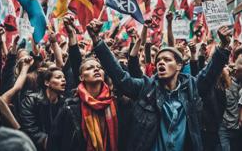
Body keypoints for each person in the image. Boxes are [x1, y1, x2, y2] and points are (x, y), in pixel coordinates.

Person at [86, 19, 231, 151]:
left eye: (167, 60)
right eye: (159, 60)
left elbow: (209, 73)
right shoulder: (146, 88)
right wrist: (97, 41)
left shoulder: (192, 88)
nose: (161, 62)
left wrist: (223, 45)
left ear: (179, 66)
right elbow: (121, 78)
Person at [48, 16, 120, 151]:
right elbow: (55, 142)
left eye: (99, 67)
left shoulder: (115, 103)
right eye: (90, 68)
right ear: (81, 77)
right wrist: (71, 34)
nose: (96, 69)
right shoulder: (70, 107)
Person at [20, 67, 66, 151]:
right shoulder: (31, 100)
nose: (63, 80)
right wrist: (47, 142)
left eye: (63, 77)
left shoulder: (64, 103)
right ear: (47, 82)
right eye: (58, 77)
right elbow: (29, 129)